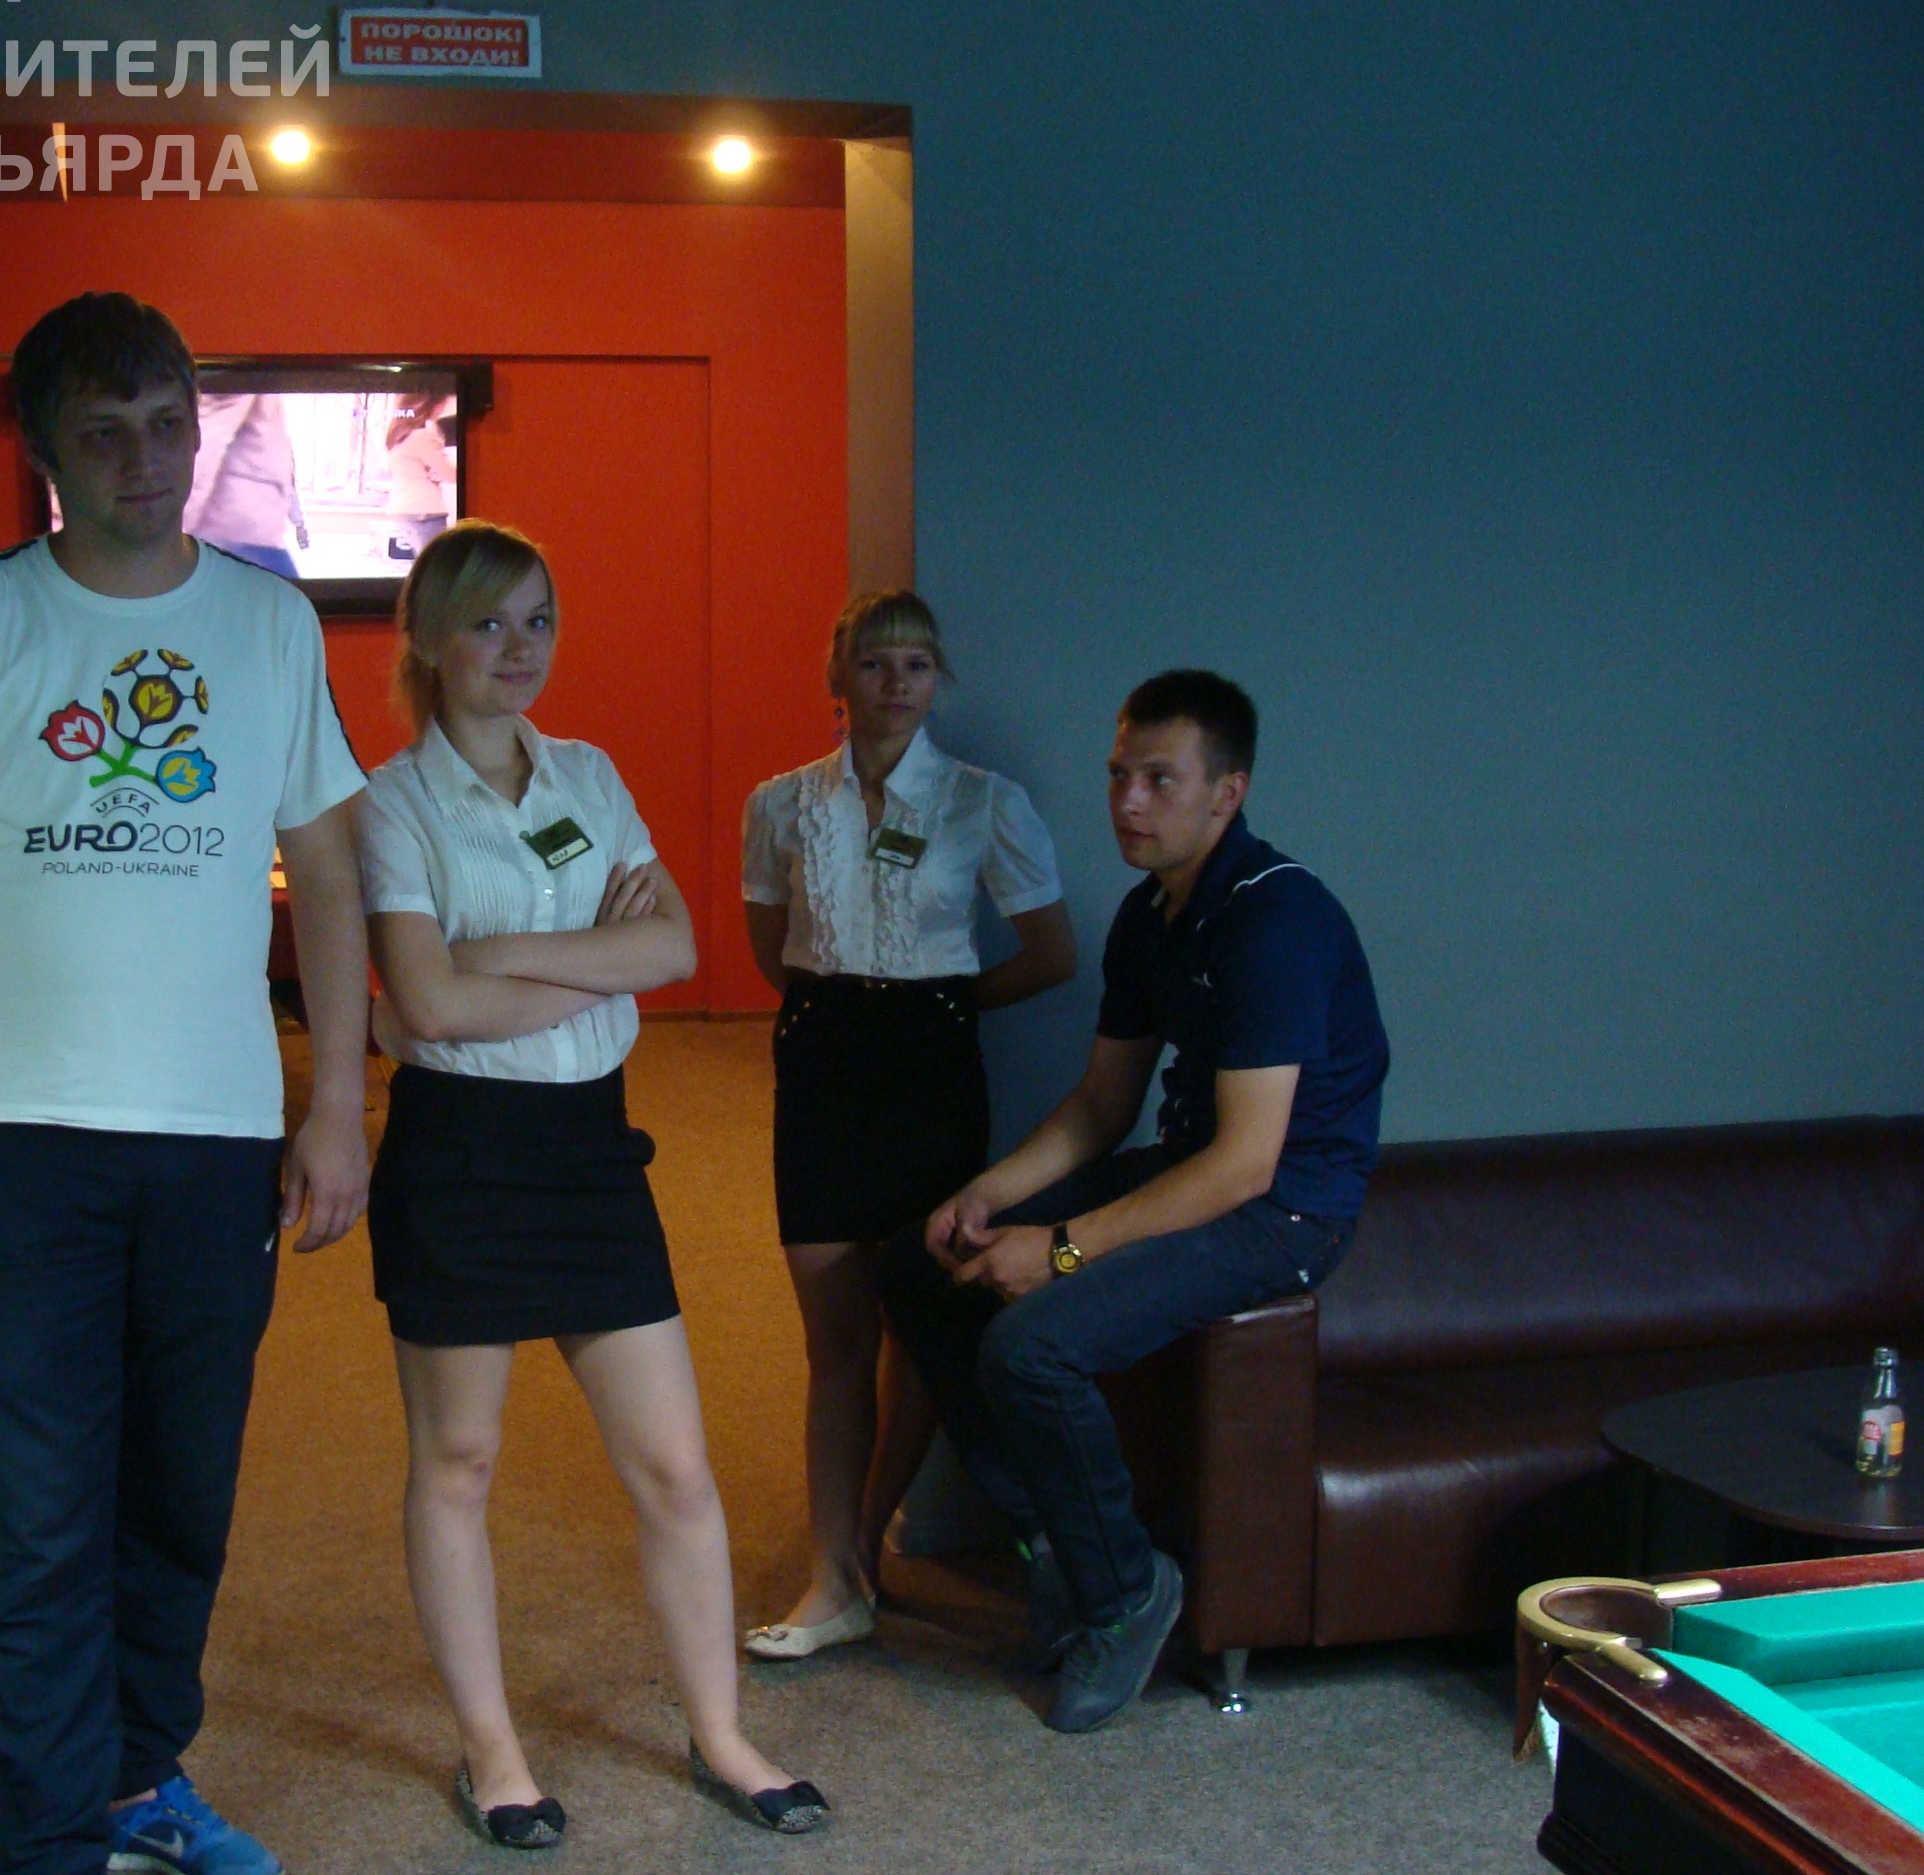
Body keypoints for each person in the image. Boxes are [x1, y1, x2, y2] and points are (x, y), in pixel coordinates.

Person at [0, 292, 370, 1875]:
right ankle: (42, 1844)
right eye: (105, 432)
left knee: (179, 1497)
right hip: (21, 1141)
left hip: (217, 1141)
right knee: (36, 1515)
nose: (146, 461)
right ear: (43, 448)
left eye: (167, 424)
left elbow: (329, 876)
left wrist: (337, 1107)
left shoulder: (268, 624)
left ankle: (140, 1776)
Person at [356, 521, 829, 1847]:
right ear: (429, 639)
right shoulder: (389, 804)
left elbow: (672, 948)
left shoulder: (590, 775)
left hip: (588, 1151)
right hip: (461, 1155)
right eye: (488, 623)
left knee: (674, 1467)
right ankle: (492, 1754)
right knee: (459, 1460)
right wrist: (581, 960)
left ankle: (722, 1736)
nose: (519, 649)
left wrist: (491, 955)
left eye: (539, 622)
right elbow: (429, 1006)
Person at [875, 669, 1389, 1733]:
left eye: (1160, 780)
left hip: (1285, 1212)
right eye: (1119, 776)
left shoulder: (1276, 920)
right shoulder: (1151, 915)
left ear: (1227, 793)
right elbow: (1104, 1104)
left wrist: (1060, 1248)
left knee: (1030, 1347)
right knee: (919, 1270)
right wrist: (989, 1194)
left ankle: (1125, 1592)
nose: (1128, 802)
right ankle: (1063, 1549)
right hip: (1195, 1171)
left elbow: (1247, 1166)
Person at [737, 590, 1076, 1659]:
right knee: (835, 1336)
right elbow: (771, 950)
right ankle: (833, 1572)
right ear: (837, 677)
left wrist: (943, 1008)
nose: (896, 683)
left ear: (939, 680)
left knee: (921, 1322)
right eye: (875, 663)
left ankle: (862, 1549)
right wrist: (852, 1015)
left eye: (917, 664)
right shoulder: (780, 804)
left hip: (933, 1070)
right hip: (823, 1064)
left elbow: (1052, 952)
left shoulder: (985, 801)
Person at [187, 391, 309, 577]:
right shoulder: (242, 382)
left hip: (248, 528)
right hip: (237, 531)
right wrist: (176, 527)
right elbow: (208, 439)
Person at [382, 394, 454, 561]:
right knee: (436, 566)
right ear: (426, 406)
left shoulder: (397, 436)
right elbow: (450, 474)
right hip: (425, 510)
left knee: (425, 563)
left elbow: (416, 468)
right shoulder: (421, 437)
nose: (442, 411)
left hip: (404, 507)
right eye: (441, 405)